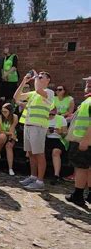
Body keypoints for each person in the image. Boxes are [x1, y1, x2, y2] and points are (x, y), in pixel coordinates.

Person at [14, 70, 54, 191]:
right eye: (38, 77)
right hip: (28, 125)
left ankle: (40, 182)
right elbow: (16, 97)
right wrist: (24, 81)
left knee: (39, 154)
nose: (39, 78)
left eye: (42, 77)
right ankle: (33, 176)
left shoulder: (49, 92)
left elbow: (38, 90)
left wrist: (35, 77)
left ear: (48, 80)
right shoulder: (33, 93)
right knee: (31, 153)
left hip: (38, 126)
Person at [65, 76, 91, 207]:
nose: (88, 84)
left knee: (81, 168)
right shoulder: (88, 100)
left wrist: (86, 140)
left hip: (83, 140)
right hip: (83, 139)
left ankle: (78, 195)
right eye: (87, 81)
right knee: (88, 168)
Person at [0, 103, 18, 176]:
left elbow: (12, 128)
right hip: (1, 134)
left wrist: (11, 136)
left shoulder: (15, 117)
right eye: (2, 111)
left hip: (11, 134)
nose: (3, 113)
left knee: (9, 146)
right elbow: (0, 130)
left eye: (5, 112)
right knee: (2, 136)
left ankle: (10, 168)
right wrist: (10, 134)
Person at [45, 108, 68, 185]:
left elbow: (65, 134)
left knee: (56, 151)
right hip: (47, 139)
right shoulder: (43, 118)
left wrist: (60, 132)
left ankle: (56, 175)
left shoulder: (61, 119)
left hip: (59, 140)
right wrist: (46, 132)